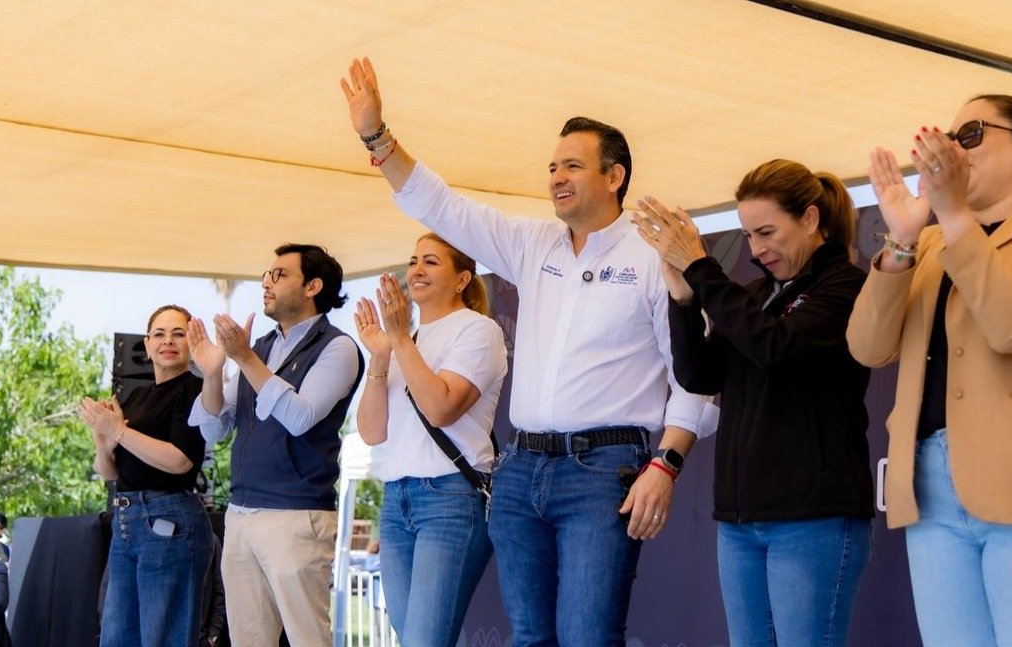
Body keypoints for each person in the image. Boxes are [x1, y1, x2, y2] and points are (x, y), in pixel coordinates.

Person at [340, 57, 710, 645]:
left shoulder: (651, 255)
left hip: (604, 470)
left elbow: (696, 377)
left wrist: (665, 465)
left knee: (588, 636)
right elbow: (445, 208)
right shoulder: (533, 243)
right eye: (552, 167)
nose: (557, 176)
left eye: (573, 165)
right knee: (531, 637)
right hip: (520, 469)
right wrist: (377, 137)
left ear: (614, 176)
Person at [846, 95, 1012, 646]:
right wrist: (902, 239)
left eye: (969, 134)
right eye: (947, 138)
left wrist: (953, 215)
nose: (952, 149)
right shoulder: (930, 242)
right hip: (930, 490)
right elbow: (867, 347)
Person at [634, 160, 874, 645]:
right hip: (742, 521)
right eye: (747, 236)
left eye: (767, 232)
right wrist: (684, 300)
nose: (757, 249)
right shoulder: (757, 294)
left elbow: (773, 347)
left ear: (810, 218)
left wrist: (701, 267)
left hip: (813, 517)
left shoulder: (847, 286)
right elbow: (699, 375)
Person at [187, 244, 363, 647]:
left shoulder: (337, 347)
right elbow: (214, 430)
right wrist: (213, 373)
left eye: (280, 274)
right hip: (241, 513)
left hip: (296, 515)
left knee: (307, 638)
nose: (266, 282)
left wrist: (244, 357)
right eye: (267, 274)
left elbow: (300, 417)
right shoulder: (262, 347)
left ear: (312, 287)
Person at [353, 232, 508, 645]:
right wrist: (381, 356)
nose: (417, 270)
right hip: (396, 498)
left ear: (462, 279)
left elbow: (441, 408)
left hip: (450, 497)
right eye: (413, 261)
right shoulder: (405, 341)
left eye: (431, 261)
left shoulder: (479, 331)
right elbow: (371, 431)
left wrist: (400, 339)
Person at [79, 305, 214, 647]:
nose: (168, 341)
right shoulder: (137, 396)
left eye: (178, 334)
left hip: (169, 520)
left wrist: (119, 432)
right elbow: (111, 471)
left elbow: (180, 461)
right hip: (126, 519)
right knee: (115, 637)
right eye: (160, 334)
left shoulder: (194, 390)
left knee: (163, 637)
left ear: (192, 343)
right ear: (147, 343)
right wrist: (103, 444)